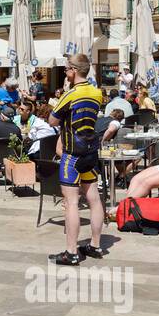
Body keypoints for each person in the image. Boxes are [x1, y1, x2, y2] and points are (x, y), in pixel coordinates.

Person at [46, 54, 104, 266]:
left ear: (73, 70)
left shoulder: (71, 94)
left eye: (66, 69)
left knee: (71, 202)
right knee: (94, 199)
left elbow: (52, 119)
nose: (65, 73)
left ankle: (71, 252)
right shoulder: (97, 93)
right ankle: (96, 246)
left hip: (72, 153)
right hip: (90, 152)